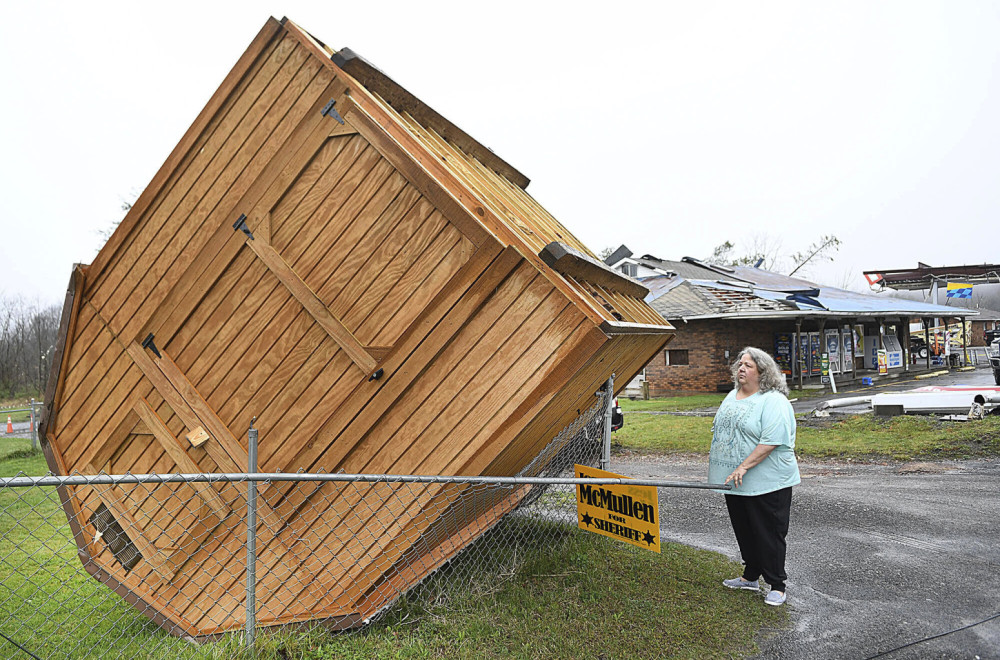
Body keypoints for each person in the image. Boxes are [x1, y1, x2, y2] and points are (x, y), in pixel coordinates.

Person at [709, 347, 800, 606]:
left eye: (748, 365)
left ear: (762, 371)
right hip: (735, 482)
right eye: (740, 363)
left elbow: (772, 440)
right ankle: (750, 576)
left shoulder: (773, 400)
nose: (741, 368)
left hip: (767, 481)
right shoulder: (732, 395)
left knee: (768, 532)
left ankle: (777, 584)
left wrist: (743, 466)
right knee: (745, 530)